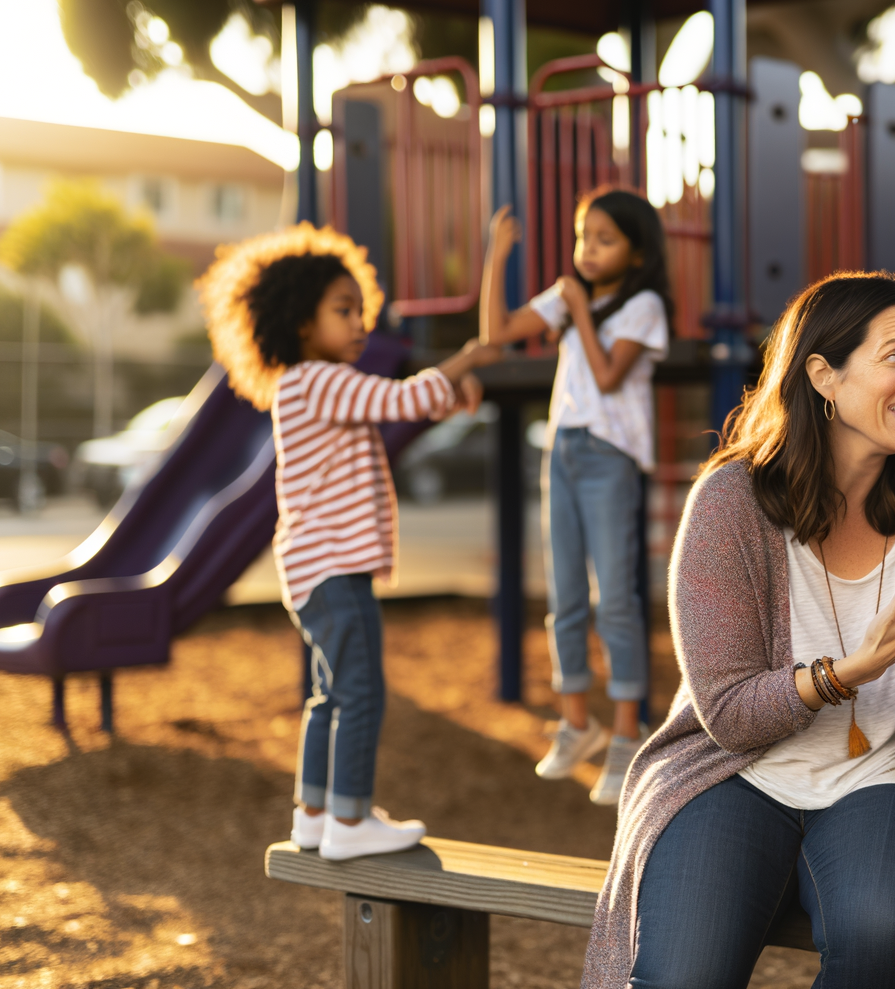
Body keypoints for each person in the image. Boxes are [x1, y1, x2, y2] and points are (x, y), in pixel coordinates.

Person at [580, 272, 895, 989]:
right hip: (733, 775)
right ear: (824, 375)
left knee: (885, 936)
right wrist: (849, 671)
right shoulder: (730, 503)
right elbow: (729, 715)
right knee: (681, 975)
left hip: (887, 779)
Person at [199, 224, 499, 860]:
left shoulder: (309, 387)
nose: (360, 323)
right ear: (299, 323)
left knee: (330, 693)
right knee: (362, 690)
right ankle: (351, 821)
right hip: (334, 570)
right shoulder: (317, 379)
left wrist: (449, 394)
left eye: (360, 309)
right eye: (343, 311)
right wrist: (468, 358)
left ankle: (313, 814)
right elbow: (401, 398)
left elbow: (401, 407)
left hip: (315, 571)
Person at [480, 189, 672, 806]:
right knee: (563, 595)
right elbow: (498, 333)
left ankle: (625, 732)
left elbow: (609, 375)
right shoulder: (570, 296)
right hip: (561, 451)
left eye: (604, 239)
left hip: (609, 456)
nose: (588, 250)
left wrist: (578, 311)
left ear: (636, 250)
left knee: (613, 597)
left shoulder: (643, 305)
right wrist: (496, 258)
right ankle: (576, 723)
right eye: (583, 237)